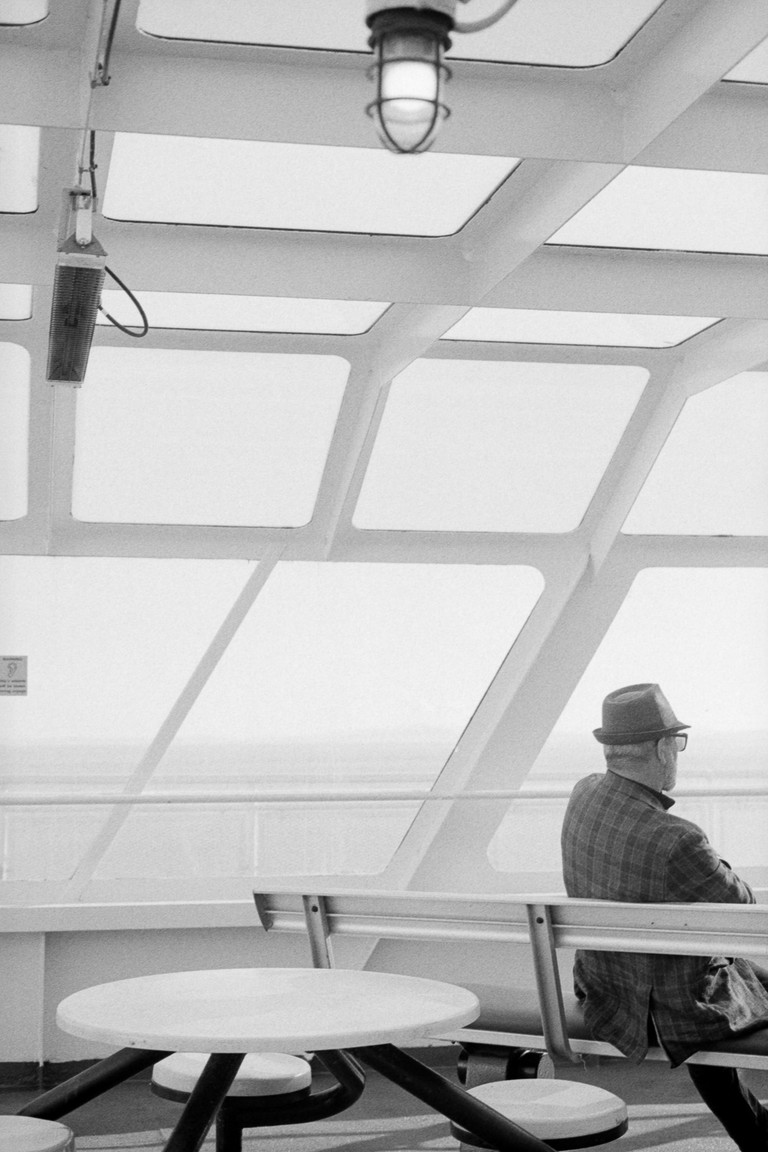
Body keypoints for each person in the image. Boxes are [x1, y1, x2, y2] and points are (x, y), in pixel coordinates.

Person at [561, 682, 768, 1152]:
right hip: (665, 1008)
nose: (678, 752)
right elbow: (742, 907)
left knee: (732, 972)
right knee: (724, 980)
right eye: (676, 743)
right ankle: (756, 1132)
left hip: (604, 984)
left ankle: (756, 1131)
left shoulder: (585, 792)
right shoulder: (677, 839)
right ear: (659, 747)